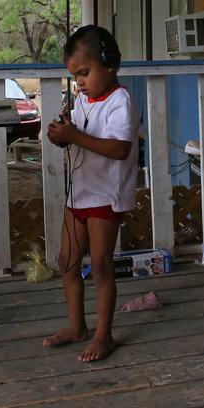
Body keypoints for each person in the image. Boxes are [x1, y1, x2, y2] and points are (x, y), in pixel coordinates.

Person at [43, 25, 140, 362]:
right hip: (80, 193)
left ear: (110, 63)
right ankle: (77, 326)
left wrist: (75, 137)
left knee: (100, 265)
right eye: (75, 75)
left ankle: (104, 335)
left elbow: (119, 149)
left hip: (106, 196)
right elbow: (78, 133)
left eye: (84, 73)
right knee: (67, 261)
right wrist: (61, 134)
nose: (79, 82)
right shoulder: (82, 100)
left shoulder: (121, 102)